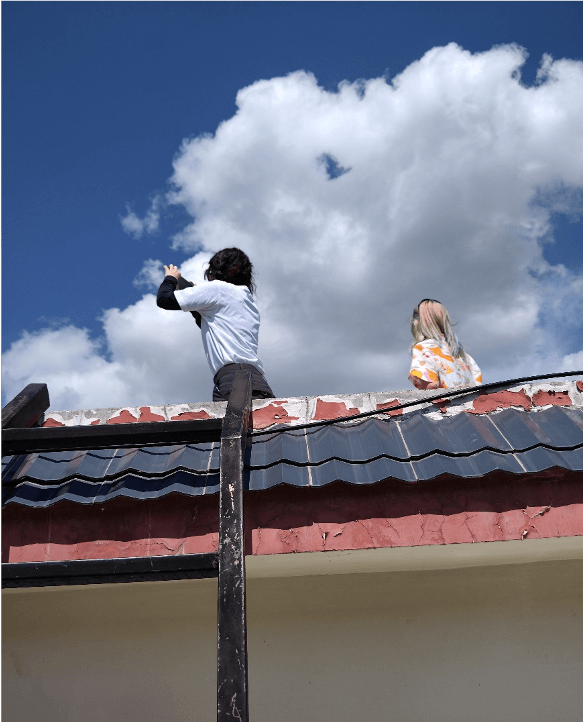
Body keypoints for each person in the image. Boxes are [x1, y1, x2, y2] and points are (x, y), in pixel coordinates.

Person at [157, 247, 275, 402]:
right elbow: (202, 316)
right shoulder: (246, 300)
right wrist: (185, 284)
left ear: (213, 273)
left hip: (234, 380)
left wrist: (171, 278)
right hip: (252, 380)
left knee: (233, 426)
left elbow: (165, 299)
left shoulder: (218, 289)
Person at [408, 299, 482, 390]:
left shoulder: (423, 348)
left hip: (446, 403)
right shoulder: (466, 357)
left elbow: (431, 385)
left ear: (417, 323)